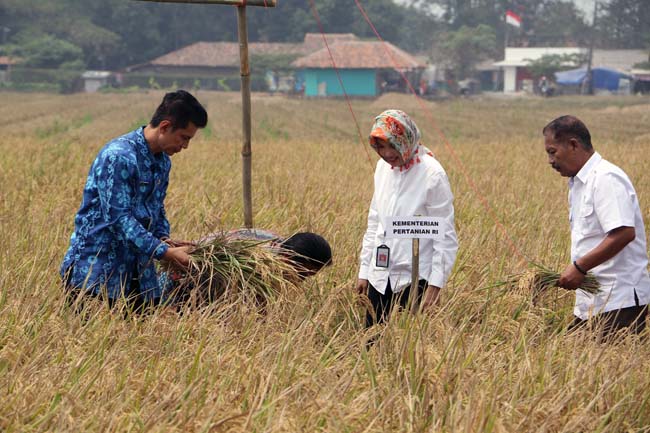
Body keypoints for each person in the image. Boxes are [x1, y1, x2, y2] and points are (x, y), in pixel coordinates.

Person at [60, 90, 208, 312]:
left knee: (142, 339)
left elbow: (156, 210)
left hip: (139, 273)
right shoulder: (119, 156)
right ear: (165, 126)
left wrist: (167, 241)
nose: (185, 146)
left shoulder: (162, 163)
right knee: (91, 340)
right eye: (184, 137)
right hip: (97, 271)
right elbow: (118, 219)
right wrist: (163, 251)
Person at [543, 115, 649, 336]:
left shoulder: (605, 178)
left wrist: (579, 267)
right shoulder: (578, 183)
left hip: (619, 300)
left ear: (573, 145)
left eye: (553, 152)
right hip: (592, 300)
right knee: (571, 360)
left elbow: (624, 233)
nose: (550, 161)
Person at [356, 110, 458, 327]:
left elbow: (444, 233)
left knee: (411, 348)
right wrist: (365, 270)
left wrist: (436, 284)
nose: (387, 153)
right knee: (370, 341)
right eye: (380, 147)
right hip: (380, 274)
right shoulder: (383, 169)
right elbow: (375, 221)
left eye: (392, 145)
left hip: (415, 277)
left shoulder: (432, 174)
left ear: (406, 140)